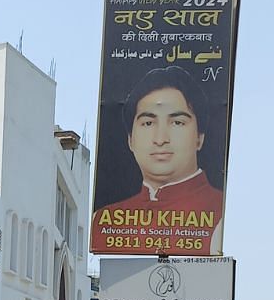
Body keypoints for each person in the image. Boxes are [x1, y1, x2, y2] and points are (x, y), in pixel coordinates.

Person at [90, 65, 225, 255]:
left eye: (177, 123)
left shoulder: (220, 217)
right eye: (148, 123)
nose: (161, 139)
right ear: (130, 140)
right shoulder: (103, 220)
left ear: (199, 137)